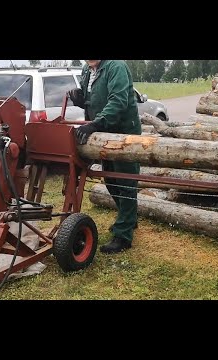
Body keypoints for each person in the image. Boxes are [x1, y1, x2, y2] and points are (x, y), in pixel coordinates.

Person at [68, 60, 141, 254]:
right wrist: (79, 99)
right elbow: (92, 99)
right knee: (110, 180)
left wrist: (95, 124)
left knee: (125, 182)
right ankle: (128, 219)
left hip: (123, 134)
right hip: (103, 134)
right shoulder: (87, 70)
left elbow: (118, 102)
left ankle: (124, 235)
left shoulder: (116, 67)